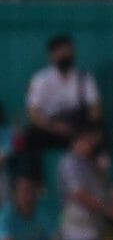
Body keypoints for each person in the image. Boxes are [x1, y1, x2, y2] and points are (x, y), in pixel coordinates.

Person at [19, 34, 101, 165]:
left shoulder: (84, 78)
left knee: (98, 138)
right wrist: (54, 126)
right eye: (60, 52)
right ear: (51, 55)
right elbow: (33, 112)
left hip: (77, 125)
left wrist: (90, 132)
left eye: (68, 51)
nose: (64, 56)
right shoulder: (41, 79)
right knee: (28, 139)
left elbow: (95, 108)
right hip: (50, 127)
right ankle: (31, 177)